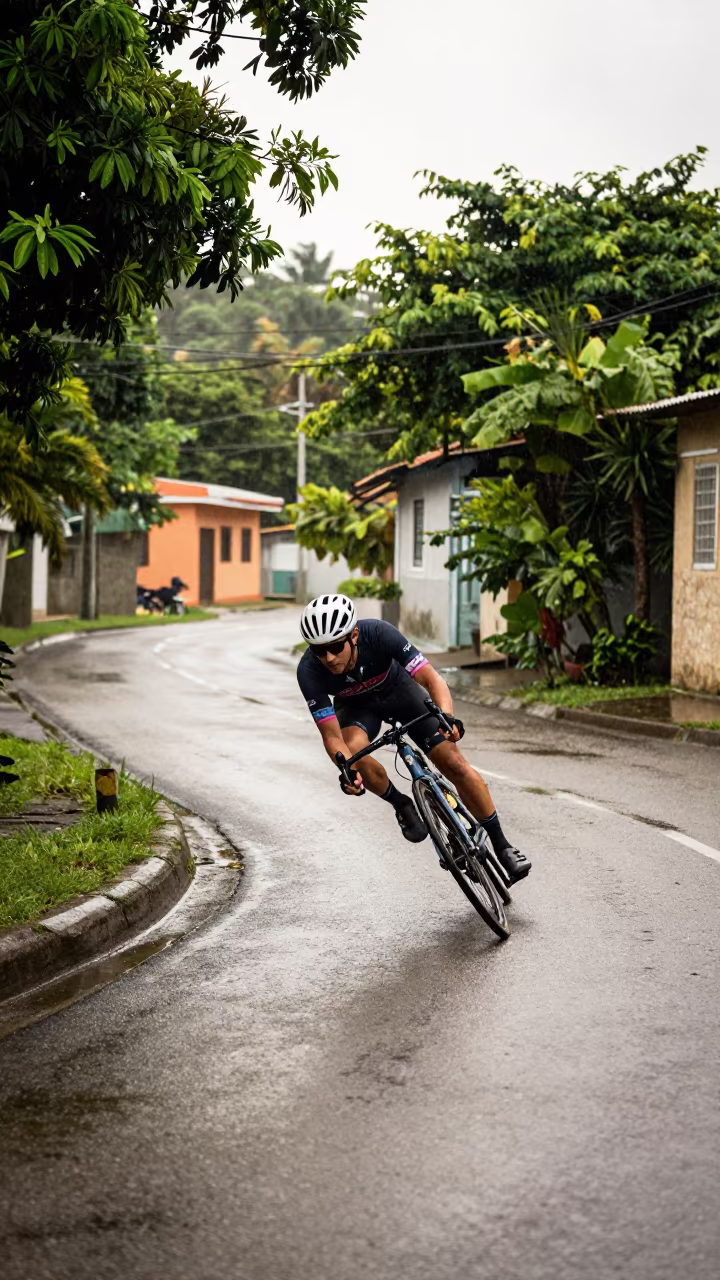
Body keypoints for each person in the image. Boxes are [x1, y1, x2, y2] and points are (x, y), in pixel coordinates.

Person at [296, 594, 532, 885]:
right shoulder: (308, 671)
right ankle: (400, 803)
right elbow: (332, 736)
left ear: (354, 635)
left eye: (335, 647)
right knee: (353, 752)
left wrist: (448, 717)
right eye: (320, 651)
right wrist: (347, 771)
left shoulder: (379, 634)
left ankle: (502, 845)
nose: (329, 658)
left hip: (401, 692)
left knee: (454, 762)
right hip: (357, 708)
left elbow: (431, 678)